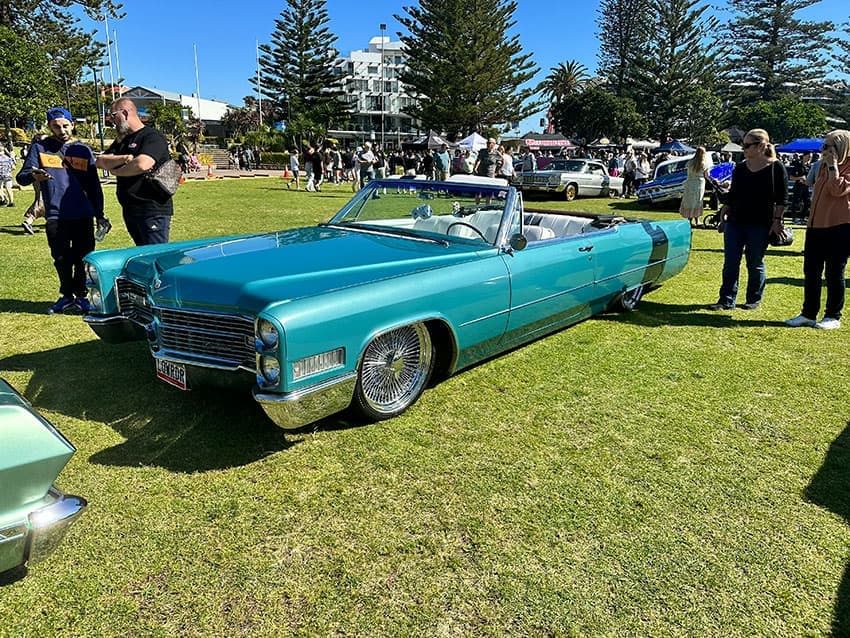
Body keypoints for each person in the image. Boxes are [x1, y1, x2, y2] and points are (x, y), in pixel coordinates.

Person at [16, 107, 105, 314]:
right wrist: (33, 176)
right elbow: (22, 177)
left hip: (83, 213)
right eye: (56, 126)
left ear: (72, 124)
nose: (62, 130)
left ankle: (82, 295)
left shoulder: (83, 150)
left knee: (84, 257)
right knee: (61, 257)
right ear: (49, 126)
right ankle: (66, 296)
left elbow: (94, 185)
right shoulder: (40, 147)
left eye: (65, 125)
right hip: (56, 215)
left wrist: (99, 214)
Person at [710, 128, 788, 311]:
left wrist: (777, 220)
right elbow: (734, 193)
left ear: (761, 146)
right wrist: (724, 212)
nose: (743, 148)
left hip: (760, 224)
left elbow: (782, 199)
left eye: (747, 145)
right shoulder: (741, 167)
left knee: (755, 262)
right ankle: (726, 300)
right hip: (736, 221)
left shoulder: (776, 167)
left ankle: (753, 299)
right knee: (730, 262)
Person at [785, 130, 850, 330]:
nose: (823, 150)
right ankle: (808, 313)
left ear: (841, 148)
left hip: (840, 226)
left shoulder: (843, 167)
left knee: (834, 272)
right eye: (823, 146)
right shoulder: (821, 166)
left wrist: (833, 166)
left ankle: (833, 315)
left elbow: (837, 189)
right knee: (811, 271)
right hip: (816, 225)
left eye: (827, 146)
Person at [95, 98, 174, 245]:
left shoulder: (151, 136)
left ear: (124, 113)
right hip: (130, 209)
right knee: (142, 255)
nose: (112, 120)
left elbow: (142, 164)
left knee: (155, 256)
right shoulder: (122, 141)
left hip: (152, 209)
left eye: (113, 115)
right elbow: (100, 161)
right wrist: (125, 158)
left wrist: (116, 171)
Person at [679, 146, 713, 228]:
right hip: (699, 183)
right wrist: (713, 180)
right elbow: (707, 175)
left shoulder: (690, 162)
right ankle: (697, 220)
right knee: (698, 201)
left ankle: (689, 220)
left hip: (690, 183)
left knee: (689, 201)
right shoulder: (704, 164)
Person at [789, 151, 813, 223]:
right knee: (796, 202)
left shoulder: (809, 166)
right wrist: (800, 178)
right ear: (804, 156)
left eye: (811, 157)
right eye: (808, 156)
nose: (809, 158)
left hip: (806, 186)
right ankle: (794, 218)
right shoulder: (798, 165)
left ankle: (803, 217)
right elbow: (791, 177)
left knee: (807, 203)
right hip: (798, 186)